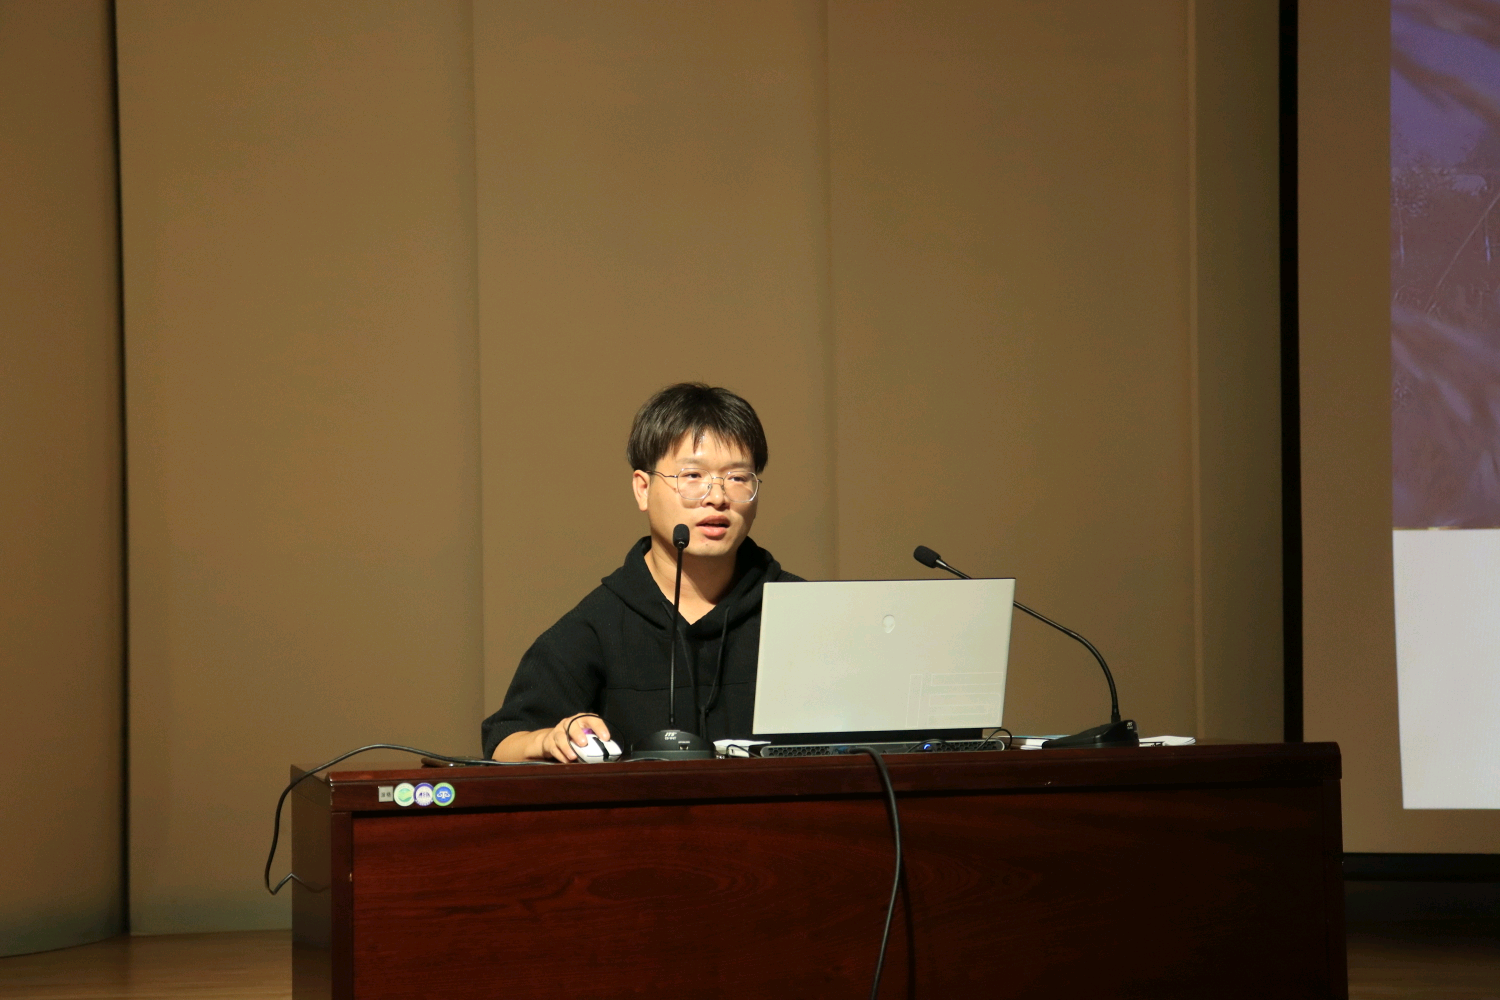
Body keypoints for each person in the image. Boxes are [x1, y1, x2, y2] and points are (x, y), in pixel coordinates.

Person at [483, 383, 804, 762]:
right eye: (692, 476)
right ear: (642, 489)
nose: (717, 497)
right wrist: (548, 740)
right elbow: (503, 744)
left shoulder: (802, 613)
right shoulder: (599, 624)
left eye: (737, 478)